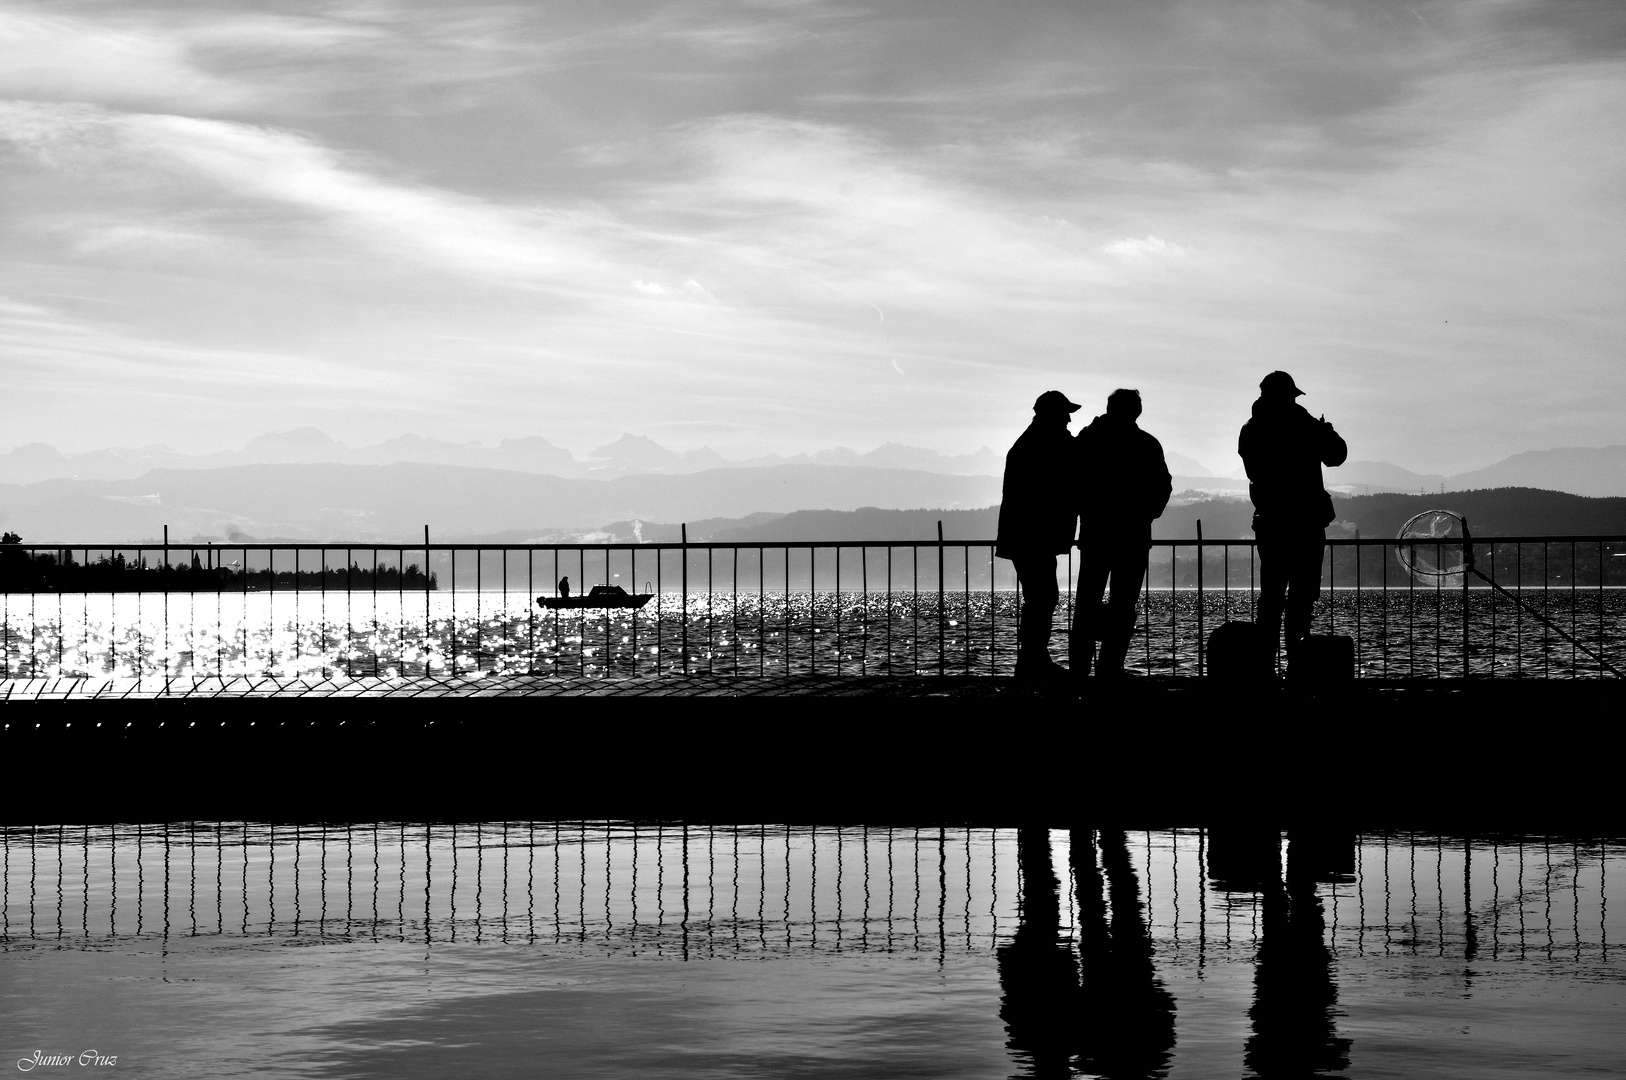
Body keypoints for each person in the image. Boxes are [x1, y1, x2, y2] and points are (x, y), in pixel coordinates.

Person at [1238, 371, 1347, 673]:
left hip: (1271, 523)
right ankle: (1298, 666)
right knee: (1301, 598)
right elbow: (1337, 455)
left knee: (1271, 598)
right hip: (1306, 523)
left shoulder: (1251, 428)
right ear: (1289, 396)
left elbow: (1254, 472)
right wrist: (1325, 428)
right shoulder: (1304, 425)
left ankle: (1264, 668)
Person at [1071, 389, 1171, 679]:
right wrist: (1145, 514)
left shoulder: (1089, 439)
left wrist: (1085, 510)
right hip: (1133, 536)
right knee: (1123, 605)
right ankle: (1110, 667)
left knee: (1087, 603)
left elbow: (1073, 481)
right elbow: (1162, 487)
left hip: (1096, 533)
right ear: (1136, 412)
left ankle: (1079, 669)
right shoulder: (1147, 444)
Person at [996, 390, 1081, 684]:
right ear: (1051, 415)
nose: (1069, 419)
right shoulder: (1046, 443)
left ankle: (1032, 659)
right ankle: (1032, 661)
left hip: (1025, 536)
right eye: (1065, 413)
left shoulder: (1032, 442)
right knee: (1042, 597)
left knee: (1039, 597)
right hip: (1033, 536)